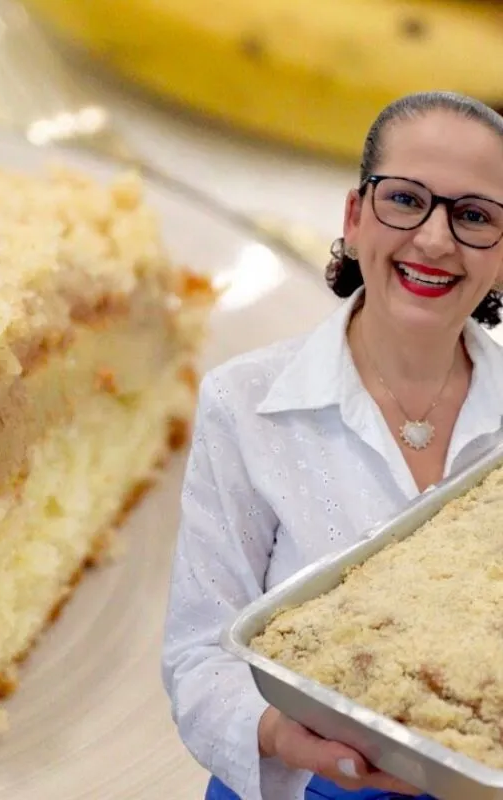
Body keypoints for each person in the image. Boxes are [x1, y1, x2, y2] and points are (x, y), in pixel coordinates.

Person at [160, 89, 503, 800]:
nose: (435, 240)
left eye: (474, 216)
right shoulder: (246, 403)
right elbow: (199, 657)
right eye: (405, 200)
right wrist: (282, 736)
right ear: (354, 216)